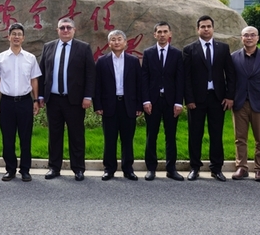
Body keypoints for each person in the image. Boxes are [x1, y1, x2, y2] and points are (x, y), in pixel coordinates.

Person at [38, 17, 96, 181]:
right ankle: (54, 167)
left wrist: (88, 96)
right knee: (54, 135)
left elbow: (90, 74)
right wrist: (40, 95)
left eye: (68, 27)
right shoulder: (48, 47)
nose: (65, 30)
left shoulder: (83, 48)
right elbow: (42, 72)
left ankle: (78, 168)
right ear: (57, 30)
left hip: (75, 101)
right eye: (62, 27)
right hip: (53, 100)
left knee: (76, 135)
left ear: (74, 30)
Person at [183, 15, 235, 181]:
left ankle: (216, 168)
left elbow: (230, 73)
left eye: (208, 26)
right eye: (203, 27)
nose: (206, 29)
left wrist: (229, 96)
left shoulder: (223, 48)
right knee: (195, 134)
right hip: (196, 99)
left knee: (216, 134)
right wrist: (189, 99)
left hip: (217, 98)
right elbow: (186, 77)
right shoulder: (189, 49)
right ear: (197, 29)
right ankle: (194, 167)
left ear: (213, 28)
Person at [0, 23, 41, 182]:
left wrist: (36, 100)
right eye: (14, 34)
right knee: (8, 137)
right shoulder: (0, 58)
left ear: (23, 38)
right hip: (7, 102)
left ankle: (25, 170)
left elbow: (34, 80)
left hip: (25, 101)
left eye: (19, 34)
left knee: (25, 137)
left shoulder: (30, 58)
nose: (16, 37)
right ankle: (10, 169)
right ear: (9, 37)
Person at [94, 30, 143, 181]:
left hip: (128, 105)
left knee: (127, 139)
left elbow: (139, 84)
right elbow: (97, 85)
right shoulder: (102, 61)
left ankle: (128, 169)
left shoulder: (133, 61)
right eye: (113, 40)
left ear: (125, 42)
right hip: (109, 105)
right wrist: (98, 105)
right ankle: (109, 169)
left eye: (119, 39)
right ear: (109, 44)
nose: (116, 42)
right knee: (110, 139)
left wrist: (139, 106)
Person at [230, 26, 260, 182]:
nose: (249, 38)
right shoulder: (234, 57)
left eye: (252, 35)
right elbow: (230, 80)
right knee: (240, 138)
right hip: (240, 103)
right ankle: (241, 167)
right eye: (246, 35)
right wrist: (230, 98)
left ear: (258, 38)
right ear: (241, 38)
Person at [141, 21, 184, 181]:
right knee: (151, 135)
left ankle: (171, 169)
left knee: (170, 136)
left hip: (171, 102)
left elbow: (180, 80)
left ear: (170, 34)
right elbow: (144, 78)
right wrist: (145, 100)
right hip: (152, 101)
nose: (162, 34)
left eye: (165, 31)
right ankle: (151, 168)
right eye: (159, 32)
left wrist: (179, 102)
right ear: (154, 34)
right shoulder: (148, 53)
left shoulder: (177, 54)